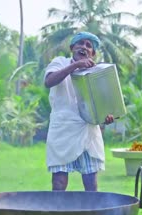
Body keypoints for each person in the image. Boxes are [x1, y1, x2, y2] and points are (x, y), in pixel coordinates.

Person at [43, 32, 114, 192]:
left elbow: (102, 104)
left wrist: (106, 117)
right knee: (59, 183)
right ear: (72, 48)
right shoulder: (59, 62)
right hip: (63, 132)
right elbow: (48, 81)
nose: (84, 47)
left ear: (93, 53)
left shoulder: (98, 73)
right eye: (80, 43)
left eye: (89, 46)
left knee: (91, 184)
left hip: (88, 132)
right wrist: (75, 66)